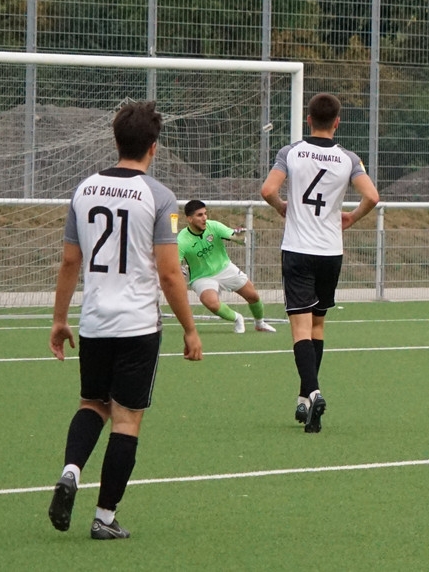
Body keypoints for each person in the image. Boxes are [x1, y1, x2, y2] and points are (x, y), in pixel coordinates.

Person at [47, 100, 203, 541]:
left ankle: (71, 471)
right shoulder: (161, 198)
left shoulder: (83, 190)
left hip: (95, 322)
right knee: (127, 419)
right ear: (154, 147)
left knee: (92, 404)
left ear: (115, 140)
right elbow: (170, 273)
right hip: (137, 326)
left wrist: (59, 319)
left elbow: (69, 261)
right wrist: (190, 329)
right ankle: (105, 517)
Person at [261, 92, 380, 433]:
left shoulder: (291, 152)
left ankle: (313, 392)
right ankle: (304, 399)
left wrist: (282, 207)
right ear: (337, 122)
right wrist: (352, 217)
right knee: (317, 326)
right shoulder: (348, 159)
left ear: (308, 119)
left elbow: (267, 190)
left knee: (300, 329)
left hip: (298, 249)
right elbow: (372, 196)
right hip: (331, 253)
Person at [177, 199, 277, 334]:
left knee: (253, 295)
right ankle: (237, 318)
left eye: (205, 214)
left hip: (225, 268)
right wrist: (179, 269)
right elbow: (175, 263)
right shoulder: (182, 240)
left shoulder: (214, 226)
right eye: (199, 215)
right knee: (211, 302)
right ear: (189, 219)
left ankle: (260, 323)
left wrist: (240, 237)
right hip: (201, 277)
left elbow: (233, 235)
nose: (204, 218)